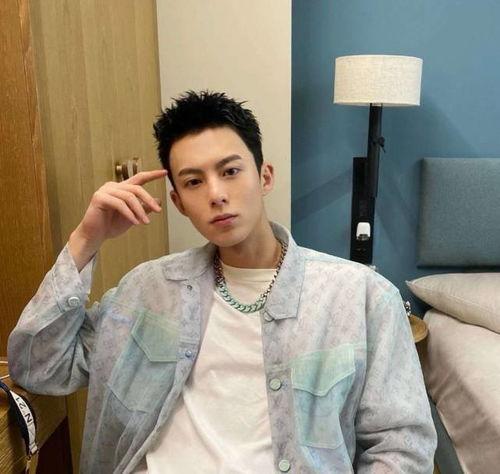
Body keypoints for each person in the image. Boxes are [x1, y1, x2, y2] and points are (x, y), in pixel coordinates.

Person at [8, 90, 437, 473]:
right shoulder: (146, 290)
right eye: (194, 182)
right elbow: (39, 366)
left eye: (230, 171)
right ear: (178, 202)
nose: (215, 194)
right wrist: (86, 239)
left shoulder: (360, 297)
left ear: (264, 177)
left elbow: (402, 444)